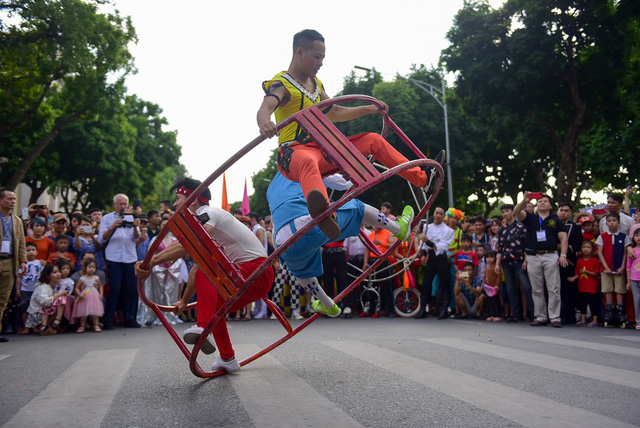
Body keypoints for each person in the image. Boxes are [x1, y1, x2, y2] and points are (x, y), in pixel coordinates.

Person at [257, 29, 439, 240]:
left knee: (373, 139)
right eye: (317, 57)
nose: (320, 63)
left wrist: (367, 109)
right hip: (292, 154)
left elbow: (333, 111)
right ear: (300, 52)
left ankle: (422, 179)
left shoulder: (316, 85)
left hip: (323, 150)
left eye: (323, 58)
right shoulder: (283, 84)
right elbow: (265, 107)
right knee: (307, 160)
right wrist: (265, 123)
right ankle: (326, 215)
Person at [136, 178, 275, 373]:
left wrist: (150, 262)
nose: (175, 204)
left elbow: (187, 244)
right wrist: (184, 301)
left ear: (192, 199)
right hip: (253, 276)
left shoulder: (207, 213)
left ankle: (203, 328)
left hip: (256, 270)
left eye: (178, 198)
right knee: (213, 307)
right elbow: (196, 266)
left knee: (208, 284)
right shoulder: (208, 226)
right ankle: (227, 358)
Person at [267, 171, 414, 319]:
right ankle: (398, 229)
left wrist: (279, 253)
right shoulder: (301, 162)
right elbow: (344, 184)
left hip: (282, 241)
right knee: (357, 207)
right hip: (306, 226)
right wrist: (351, 174)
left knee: (302, 272)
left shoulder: (271, 189)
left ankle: (327, 304)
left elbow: (275, 222)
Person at [514, 193, 568, 328]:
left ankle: (555, 317)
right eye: (539, 201)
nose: (542, 203)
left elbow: (563, 238)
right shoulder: (530, 218)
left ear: (550, 205)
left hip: (550, 255)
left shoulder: (556, 220)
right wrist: (524, 201)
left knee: (553, 287)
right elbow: (516, 212)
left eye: (545, 201)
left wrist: (563, 255)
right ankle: (540, 316)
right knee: (536, 289)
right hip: (533, 256)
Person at [98, 193, 141, 329]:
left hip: (130, 257)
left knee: (132, 288)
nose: (123, 206)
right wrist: (113, 226)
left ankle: (130, 317)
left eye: (125, 204)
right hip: (114, 257)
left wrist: (135, 226)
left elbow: (136, 237)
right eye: (120, 204)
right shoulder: (107, 218)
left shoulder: (132, 217)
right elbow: (101, 238)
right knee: (115, 288)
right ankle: (109, 319)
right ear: (114, 205)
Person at [416, 207, 454, 319]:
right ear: (434, 214)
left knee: (444, 284)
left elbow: (442, 247)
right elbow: (422, 245)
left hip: (441, 258)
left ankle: (444, 310)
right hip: (431, 258)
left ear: (443, 216)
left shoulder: (448, 230)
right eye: (436, 213)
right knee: (426, 284)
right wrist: (423, 253)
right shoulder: (427, 227)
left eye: (441, 214)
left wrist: (428, 241)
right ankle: (422, 309)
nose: (438, 215)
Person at [0, 189, 27, 342]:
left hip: (9, 261)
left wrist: (23, 260)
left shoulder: (16, 220)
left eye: (14, 199)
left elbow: (22, 242)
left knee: (3, 298)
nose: (13, 202)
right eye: (9, 199)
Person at [596, 212, 631, 327]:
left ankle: (620, 312)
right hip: (606, 268)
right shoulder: (602, 237)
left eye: (614, 220)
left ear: (618, 223)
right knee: (607, 289)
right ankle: (609, 312)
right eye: (609, 221)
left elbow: (626, 253)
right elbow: (599, 252)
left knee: (619, 290)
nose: (612, 223)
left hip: (619, 268)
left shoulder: (623, 237)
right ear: (606, 223)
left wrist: (622, 266)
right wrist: (605, 266)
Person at [556, 202, 584, 325]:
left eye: (566, 210)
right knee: (555, 289)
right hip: (552, 260)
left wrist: (564, 248)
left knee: (568, 289)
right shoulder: (552, 225)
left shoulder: (576, 227)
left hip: (569, 261)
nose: (563, 212)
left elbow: (579, 244)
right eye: (561, 210)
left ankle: (569, 316)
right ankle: (556, 315)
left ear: (571, 213)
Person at [25, 264, 68, 335]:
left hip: (43, 312)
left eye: (59, 272)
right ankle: (45, 326)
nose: (58, 274)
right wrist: (59, 295)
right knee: (60, 301)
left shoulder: (54, 286)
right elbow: (45, 302)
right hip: (37, 314)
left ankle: (49, 326)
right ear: (48, 275)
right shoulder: (43, 287)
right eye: (54, 272)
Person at [568, 241, 600, 327]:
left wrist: (586, 272)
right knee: (582, 303)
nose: (586, 249)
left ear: (593, 250)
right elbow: (578, 273)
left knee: (593, 304)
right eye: (584, 247)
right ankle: (583, 319)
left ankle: (595, 320)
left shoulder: (595, 260)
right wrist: (573, 278)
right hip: (582, 286)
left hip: (592, 287)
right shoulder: (579, 261)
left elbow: (596, 273)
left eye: (588, 247)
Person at [16, 242, 45, 333]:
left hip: (36, 290)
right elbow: (19, 278)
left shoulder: (40, 263)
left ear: (36, 252)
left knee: (36, 309)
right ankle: (26, 327)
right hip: (25, 290)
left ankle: (35, 326)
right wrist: (18, 289)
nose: (31, 252)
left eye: (33, 250)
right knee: (25, 309)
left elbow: (43, 276)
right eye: (28, 250)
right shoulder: (23, 264)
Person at [72, 258, 104, 333]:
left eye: (93, 267)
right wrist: (79, 294)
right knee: (84, 313)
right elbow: (76, 287)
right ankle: (82, 326)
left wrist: (101, 293)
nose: (91, 269)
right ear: (85, 267)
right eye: (89, 267)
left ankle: (96, 325)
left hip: (94, 296)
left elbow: (100, 286)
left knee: (95, 313)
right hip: (85, 296)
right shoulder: (82, 278)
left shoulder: (96, 278)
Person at [626, 228, 640, 330]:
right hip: (634, 279)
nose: (639, 238)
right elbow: (628, 266)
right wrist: (628, 281)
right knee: (637, 300)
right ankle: (638, 321)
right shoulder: (632, 251)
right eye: (637, 236)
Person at [483, 251, 502, 321]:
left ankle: (498, 315)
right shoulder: (487, 267)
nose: (489, 259)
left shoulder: (496, 267)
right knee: (489, 302)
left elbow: (498, 277)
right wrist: (483, 284)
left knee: (495, 301)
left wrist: (497, 285)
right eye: (487, 257)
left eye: (491, 257)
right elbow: (485, 277)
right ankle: (491, 314)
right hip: (488, 288)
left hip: (494, 288)